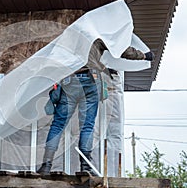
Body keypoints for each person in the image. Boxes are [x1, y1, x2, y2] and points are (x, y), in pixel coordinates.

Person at [37, 39, 153, 176]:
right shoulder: (96, 35)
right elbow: (120, 49)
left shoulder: (69, 36)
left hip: (70, 80)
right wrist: (144, 55)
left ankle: (46, 165)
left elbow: (51, 58)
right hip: (91, 79)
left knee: (58, 125)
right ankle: (85, 167)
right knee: (87, 126)